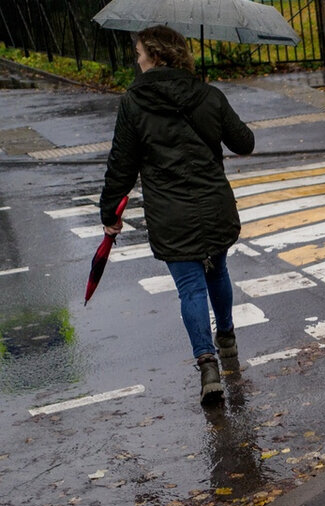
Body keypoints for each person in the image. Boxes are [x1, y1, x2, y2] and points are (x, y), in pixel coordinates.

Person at [98, 25, 255, 406]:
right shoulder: (207, 95)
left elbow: (122, 163)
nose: (136, 61)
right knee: (217, 270)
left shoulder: (134, 102)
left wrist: (109, 212)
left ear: (155, 56)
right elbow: (244, 143)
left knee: (190, 288)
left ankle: (207, 364)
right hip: (213, 204)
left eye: (139, 54)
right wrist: (211, 109)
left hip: (170, 212)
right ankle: (228, 337)